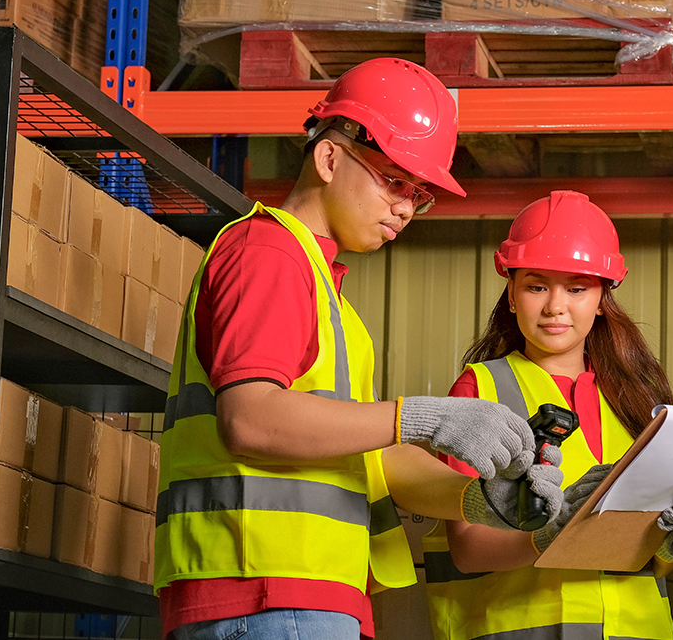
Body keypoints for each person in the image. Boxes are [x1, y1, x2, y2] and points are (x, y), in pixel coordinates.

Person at [154, 58, 565, 640]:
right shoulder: (269, 253)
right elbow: (250, 419)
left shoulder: (331, 299)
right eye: (395, 181)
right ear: (329, 157)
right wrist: (423, 416)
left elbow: (372, 459)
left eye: (418, 195)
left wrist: (483, 501)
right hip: (265, 592)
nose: (405, 208)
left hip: (301, 596)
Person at [423, 190, 673, 640]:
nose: (555, 306)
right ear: (511, 293)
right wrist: (550, 533)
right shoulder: (480, 391)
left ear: (602, 298)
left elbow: (646, 559)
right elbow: (467, 549)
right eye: (536, 285)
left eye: (577, 288)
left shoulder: (638, 401)